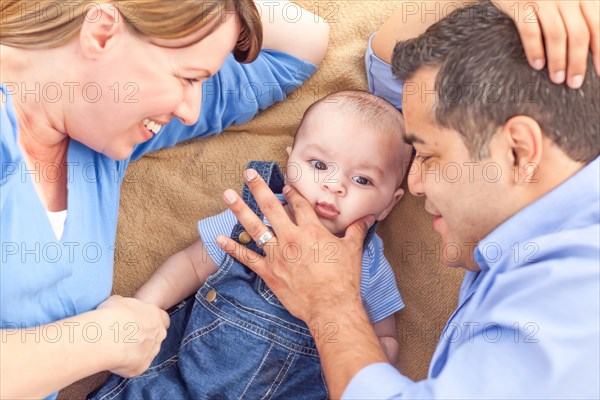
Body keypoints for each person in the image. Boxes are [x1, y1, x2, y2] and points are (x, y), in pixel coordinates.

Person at [214, 1, 599, 398]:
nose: (414, 185)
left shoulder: (572, 295)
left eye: (429, 156)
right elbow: (389, 69)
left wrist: (328, 302)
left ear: (519, 150)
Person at [0, 1, 329, 398]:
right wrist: (103, 340)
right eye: (188, 78)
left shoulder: (101, 137)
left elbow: (301, 44)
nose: (191, 111)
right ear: (101, 32)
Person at [90, 90, 413, 399]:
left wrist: (380, 357)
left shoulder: (367, 261)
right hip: (181, 378)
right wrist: (142, 308)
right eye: (318, 165)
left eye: (362, 180)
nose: (334, 185)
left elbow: (383, 335)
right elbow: (190, 265)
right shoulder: (252, 219)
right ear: (289, 163)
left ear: (388, 203)